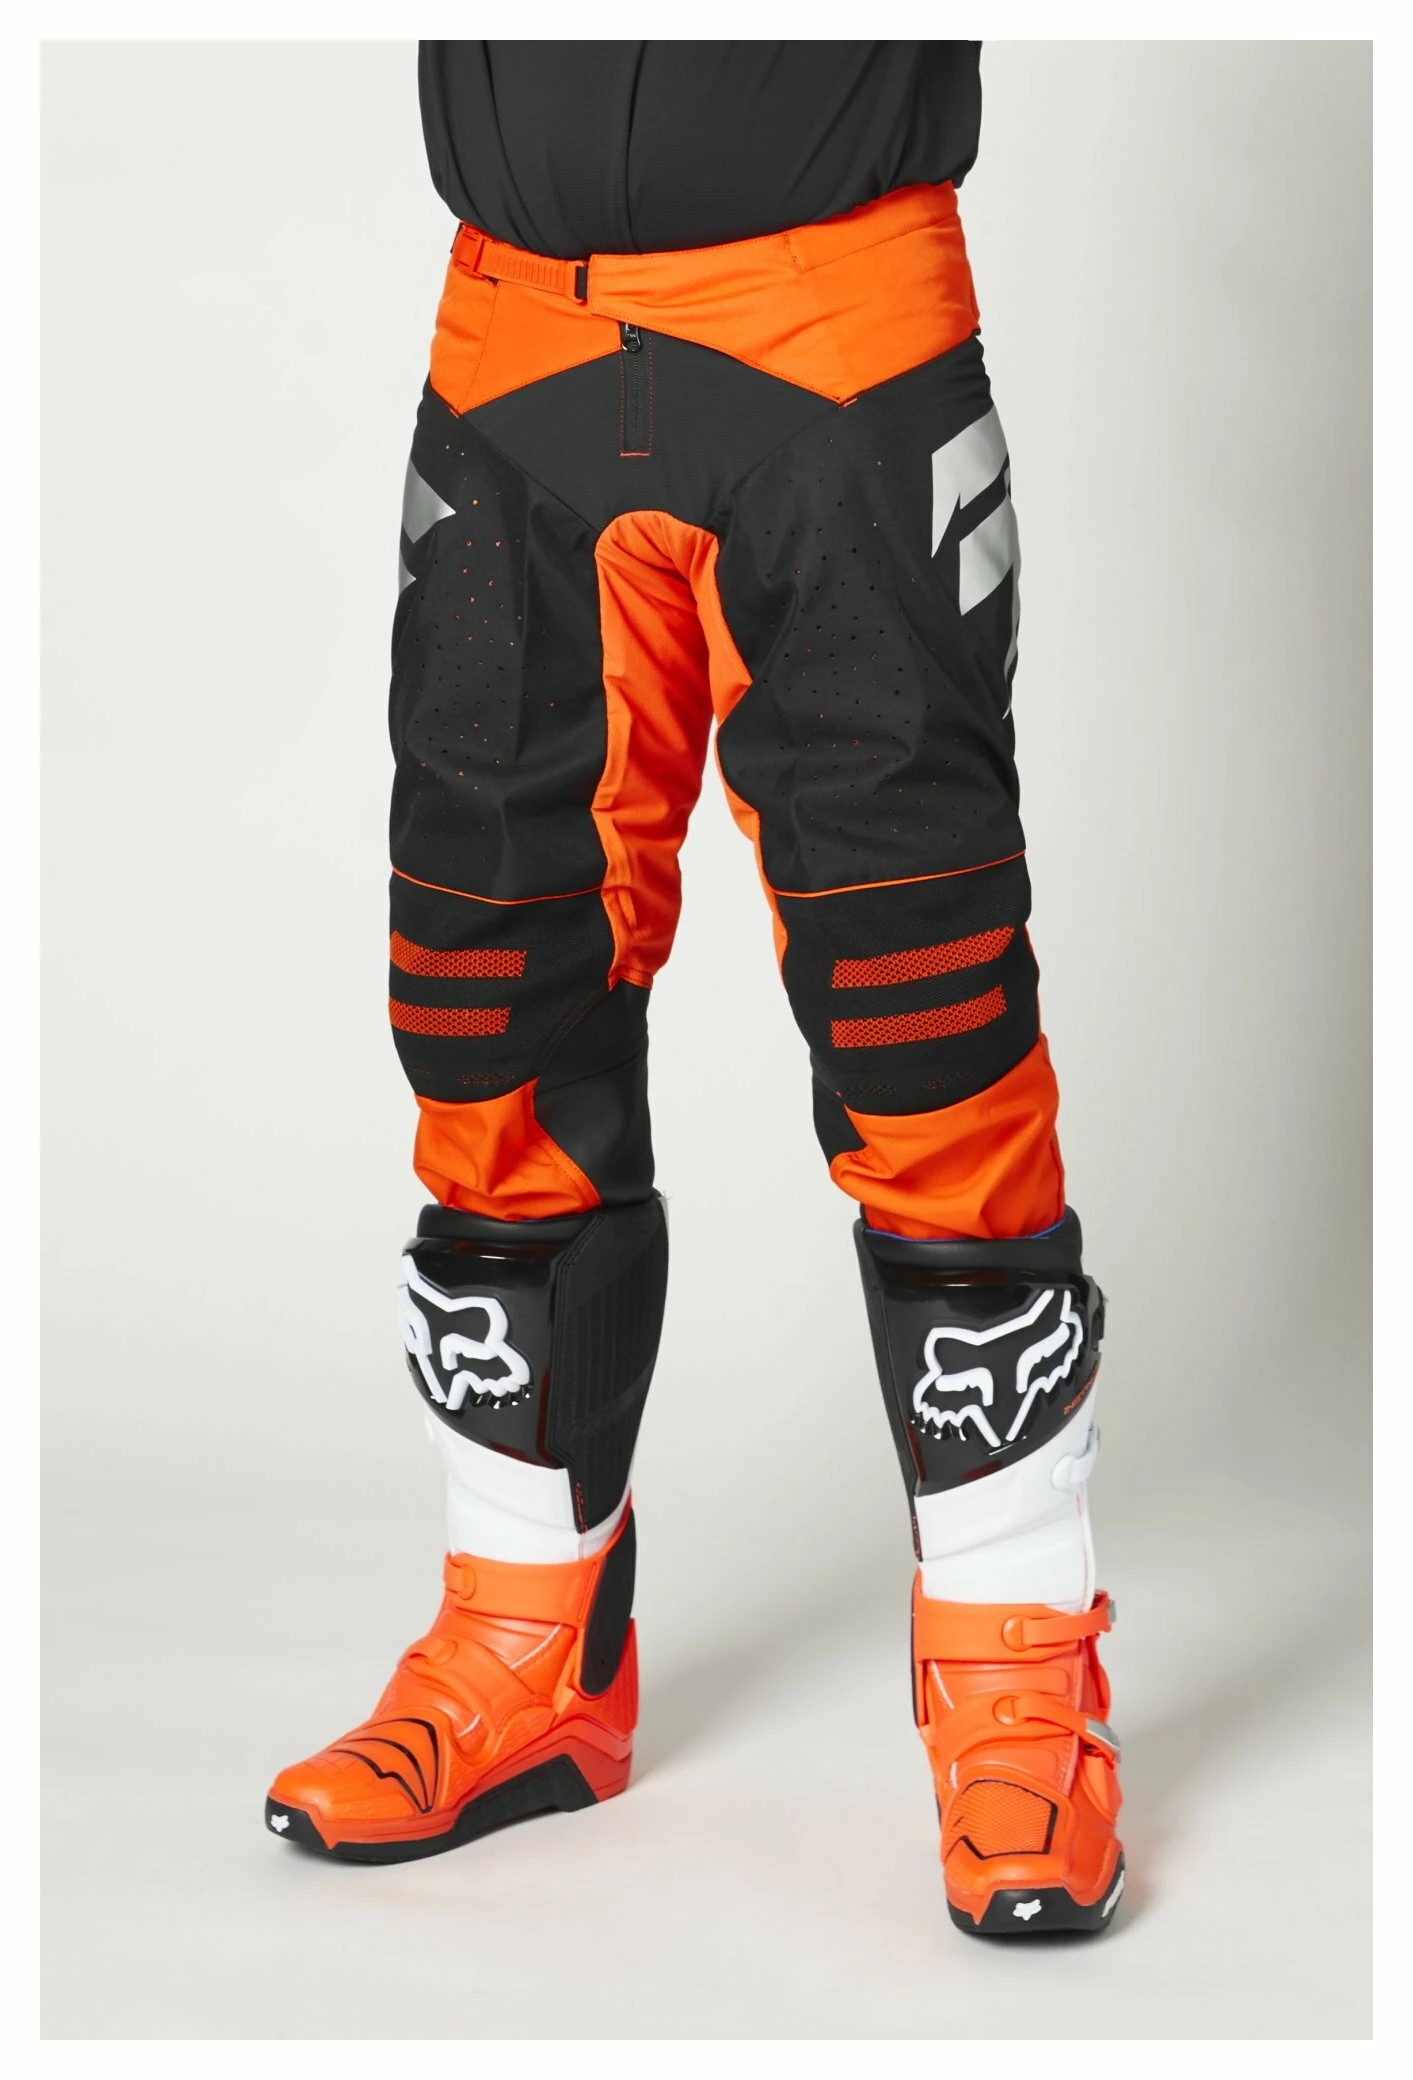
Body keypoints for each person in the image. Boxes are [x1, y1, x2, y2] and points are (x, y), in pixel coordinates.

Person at [265, 39, 1125, 1938]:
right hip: (514, 342)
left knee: (921, 1003)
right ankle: (526, 1647)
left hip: (840, 334)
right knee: (485, 992)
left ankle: (1018, 1673)